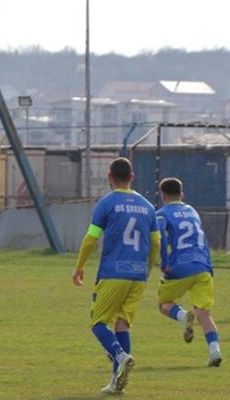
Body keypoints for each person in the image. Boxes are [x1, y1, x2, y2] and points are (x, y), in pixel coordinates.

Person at [72, 157, 160, 395]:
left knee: (98, 323)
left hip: (113, 272)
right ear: (132, 177)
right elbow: (155, 242)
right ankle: (116, 382)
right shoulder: (148, 206)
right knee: (123, 324)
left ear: (109, 177)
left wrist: (79, 266)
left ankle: (120, 356)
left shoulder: (107, 203)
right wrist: (147, 269)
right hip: (138, 275)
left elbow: (91, 238)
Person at [154, 177, 222, 367]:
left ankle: (183, 316)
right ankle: (215, 351)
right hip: (202, 265)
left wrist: (164, 263)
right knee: (204, 313)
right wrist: (209, 266)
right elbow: (203, 238)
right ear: (182, 194)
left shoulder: (162, 213)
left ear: (163, 197)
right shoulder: (192, 211)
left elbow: (160, 238)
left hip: (179, 267)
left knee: (164, 304)